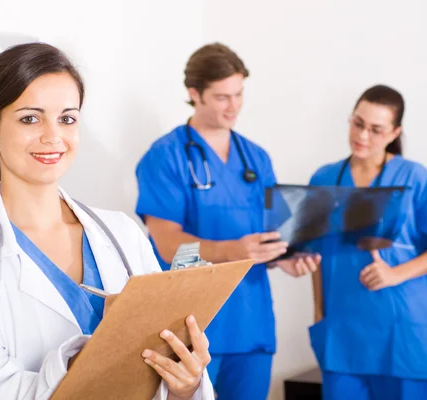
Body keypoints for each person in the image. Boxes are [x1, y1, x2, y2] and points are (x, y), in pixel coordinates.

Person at [0, 42, 215, 400]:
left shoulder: (121, 233)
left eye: (67, 118)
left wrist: (185, 385)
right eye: (30, 117)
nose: (52, 136)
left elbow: (164, 372)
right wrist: (94, 355)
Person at [134, 42, 320, 400]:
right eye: (222, 97)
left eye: (239, 94)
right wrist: (231, 250)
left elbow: (271, 236)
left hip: (251, 321)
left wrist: (288, 258)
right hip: (192, 326)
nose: (233, 106)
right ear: (194, 94)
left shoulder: (255, 157)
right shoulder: (166, 156)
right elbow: (167, 243)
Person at [308, 84, 427, 400]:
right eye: (358, 123)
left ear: (394, 133)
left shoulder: (414, 178)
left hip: (403, 332)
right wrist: (318, 311)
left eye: (376, 129)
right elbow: (314, 254)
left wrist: (395, 274)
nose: (363, 136)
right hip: (342, 332)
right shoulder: (324, 179)